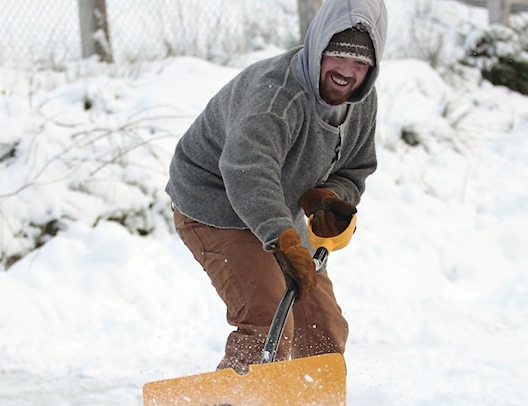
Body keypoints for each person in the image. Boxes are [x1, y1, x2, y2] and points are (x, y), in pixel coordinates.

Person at [166, 0, 388, 373]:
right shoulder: (276, 96)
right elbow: (247, 169)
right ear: (318, 48)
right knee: (267, 323)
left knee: (324, 330)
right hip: (214, 201)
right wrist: (281, 237)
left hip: (275, 209)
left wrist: (330, 197)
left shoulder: (361, 102)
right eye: (337, 56)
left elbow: (356, 166)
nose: (346, 72)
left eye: (360, 64)